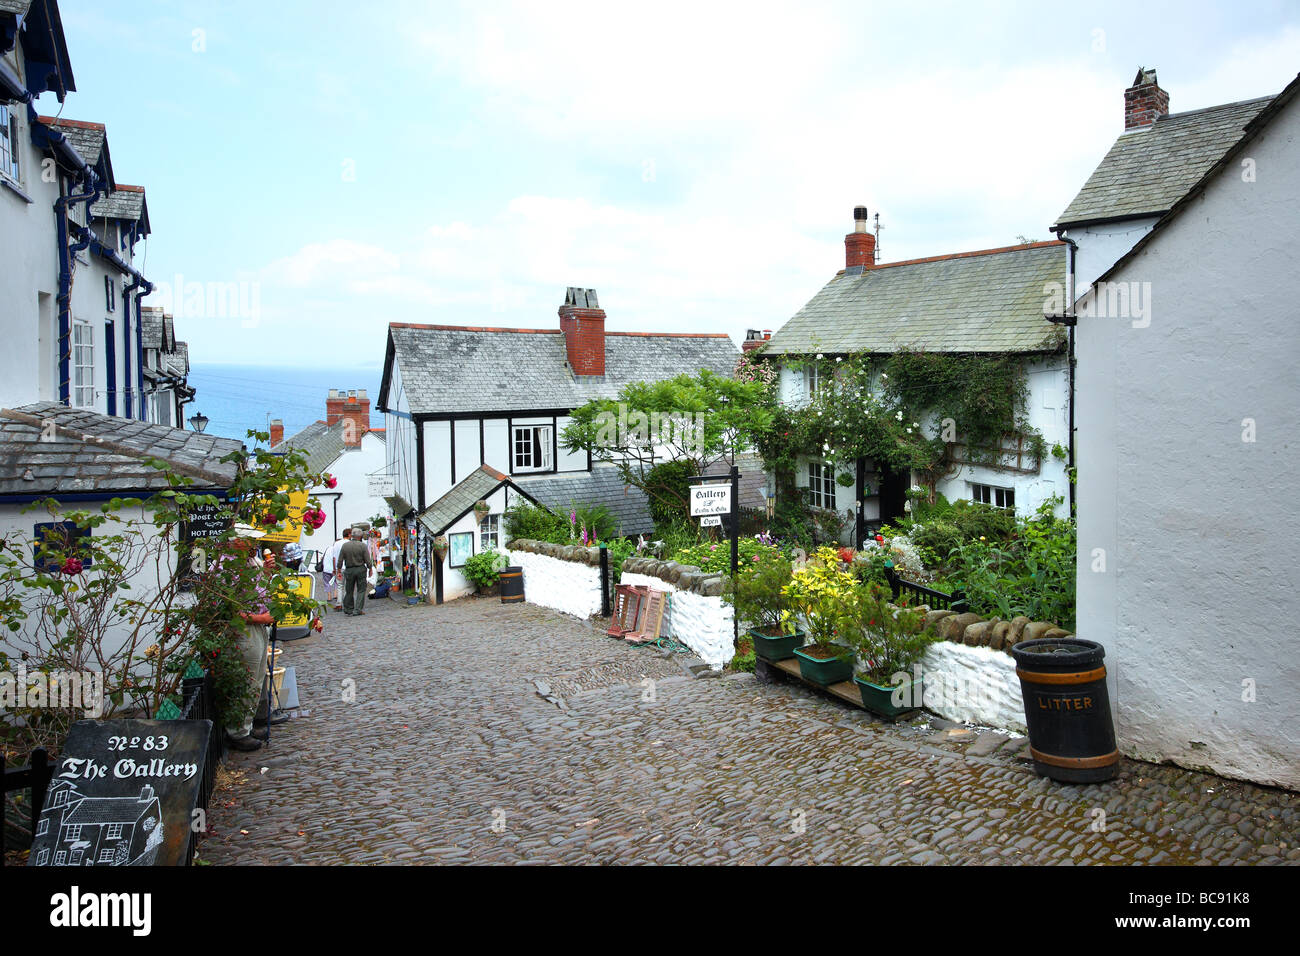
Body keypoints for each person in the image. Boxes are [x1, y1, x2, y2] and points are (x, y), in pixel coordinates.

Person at [339, 526, 375, 616]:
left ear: (352, 536)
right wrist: (370, 568)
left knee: (349, 590)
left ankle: (348, 608)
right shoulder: (362, 546)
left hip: (349, 569)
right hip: (360, 569)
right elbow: (367, 559)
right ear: (360, 536)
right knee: (361, 590)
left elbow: (340, 559)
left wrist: (338, 570)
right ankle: (358, 609)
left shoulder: (345, 546)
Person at [322, 528, 351, 610]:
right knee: (347, 586)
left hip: (339, 568)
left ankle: (339, 603)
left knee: (339, 586)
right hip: (348, 567)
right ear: (349, 534)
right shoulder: (350, 543)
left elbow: (334, 558)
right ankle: (347, 603)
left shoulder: (337, 543)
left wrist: (335, 568)